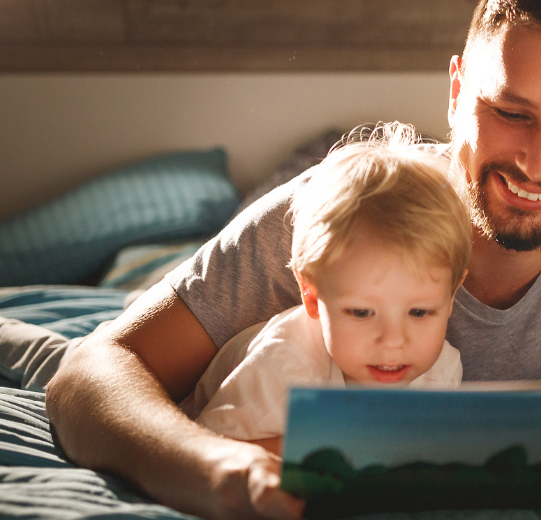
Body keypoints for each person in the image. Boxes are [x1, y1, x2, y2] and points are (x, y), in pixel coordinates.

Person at [39, 3, 541, 519]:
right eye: (511, 113)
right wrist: (222, 473)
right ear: (457, 91)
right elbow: (88, 373)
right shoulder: (351, 205)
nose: (538, 162)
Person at [187, 124, 470, 457]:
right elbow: (203, 454)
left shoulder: (443, 371)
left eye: (419, 312)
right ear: (311, 295)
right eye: (362, 312)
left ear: (451, 298)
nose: (393, 341)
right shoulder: (283, 371)